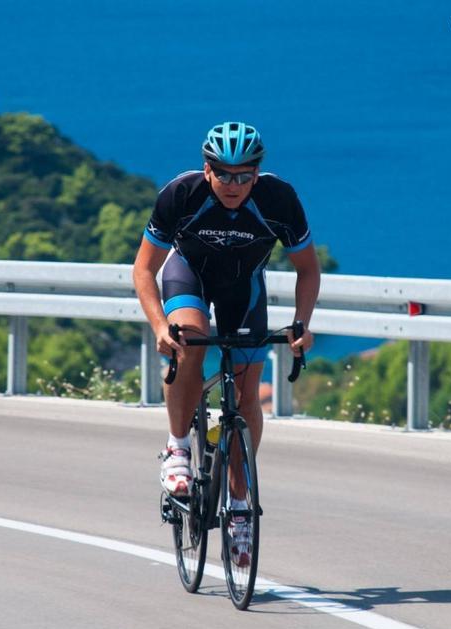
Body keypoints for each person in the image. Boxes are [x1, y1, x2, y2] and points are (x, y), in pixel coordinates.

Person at [133, 121, 320, 513]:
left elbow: (308, 269)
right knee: (190, 339)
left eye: (243, 175)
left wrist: (301, 323)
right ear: (207, 170)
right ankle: (178, 448)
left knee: (247, 389)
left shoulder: (278, 199)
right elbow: (144, 269)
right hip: (189, 277)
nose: (232, 184)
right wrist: (159, 327)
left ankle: (237, 503)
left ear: (257, 172)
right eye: (222, 173)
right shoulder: (182, 194)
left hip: (243, 289)